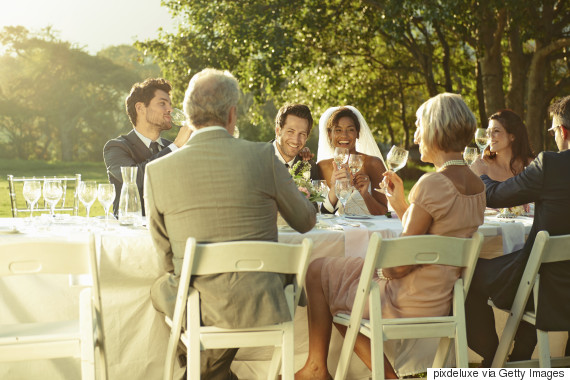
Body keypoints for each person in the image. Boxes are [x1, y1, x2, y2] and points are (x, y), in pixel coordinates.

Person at [296, 93, 485, 379]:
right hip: (442, 295)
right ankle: (324, 368)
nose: (417, 136)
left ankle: (318, 368)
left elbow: (398, 267)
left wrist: (377, 269)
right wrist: (400, 205)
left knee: (318, 271)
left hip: (406, 298)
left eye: (419, 126)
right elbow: (437, 230)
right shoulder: (476, 184)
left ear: (436, 129)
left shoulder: (432, 183)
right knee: (336, 279)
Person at [144, 68, 316, 380]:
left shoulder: (156, 172)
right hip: (263, 298)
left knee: (161, 289)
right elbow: (306, 221)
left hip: (199, 303)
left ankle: (206, 371)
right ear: (232, 115)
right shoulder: (265, 156)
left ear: (190, 115)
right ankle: (219, 374)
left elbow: (166, 257)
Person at [467, 96, 570, 366]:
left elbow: (497, 196)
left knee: (465, 272)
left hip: (549, 282)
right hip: (558, 280)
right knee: (538, 276)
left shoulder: (551, 165)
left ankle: (493, 361)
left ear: (562, 131)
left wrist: (481, 174)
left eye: (552, 131)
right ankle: (519, 357)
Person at [103, 78, 192, 216]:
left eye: (170, 104)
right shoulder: (116, 147)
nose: (170, 109)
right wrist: (176, 147)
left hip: (174, 230)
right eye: (162, 103)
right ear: (140, 108)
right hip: (132, 233)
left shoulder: (174, 148)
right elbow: (134, 179)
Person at [316, 106, 388, 215]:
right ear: (330, 134)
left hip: (370, 230)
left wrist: (365, 194)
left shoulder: (373, 164)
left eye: (350, 130)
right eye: (338, 130)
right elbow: (321, 212)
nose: (344, 135)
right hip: (336, 230)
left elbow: (383, 212)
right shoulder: (322, 167)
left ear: (357, 133)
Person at [476, 109, 535, 181]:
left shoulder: (531, 165)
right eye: (488, 131)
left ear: (512, 136)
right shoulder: (481, 165)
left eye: (496, 131)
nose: (490, 136)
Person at [273, 103, 320, 179]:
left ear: (307, 137)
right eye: (290, 131)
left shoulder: (311, 168)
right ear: (278, 131)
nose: (296, 140)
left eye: (302, 134)